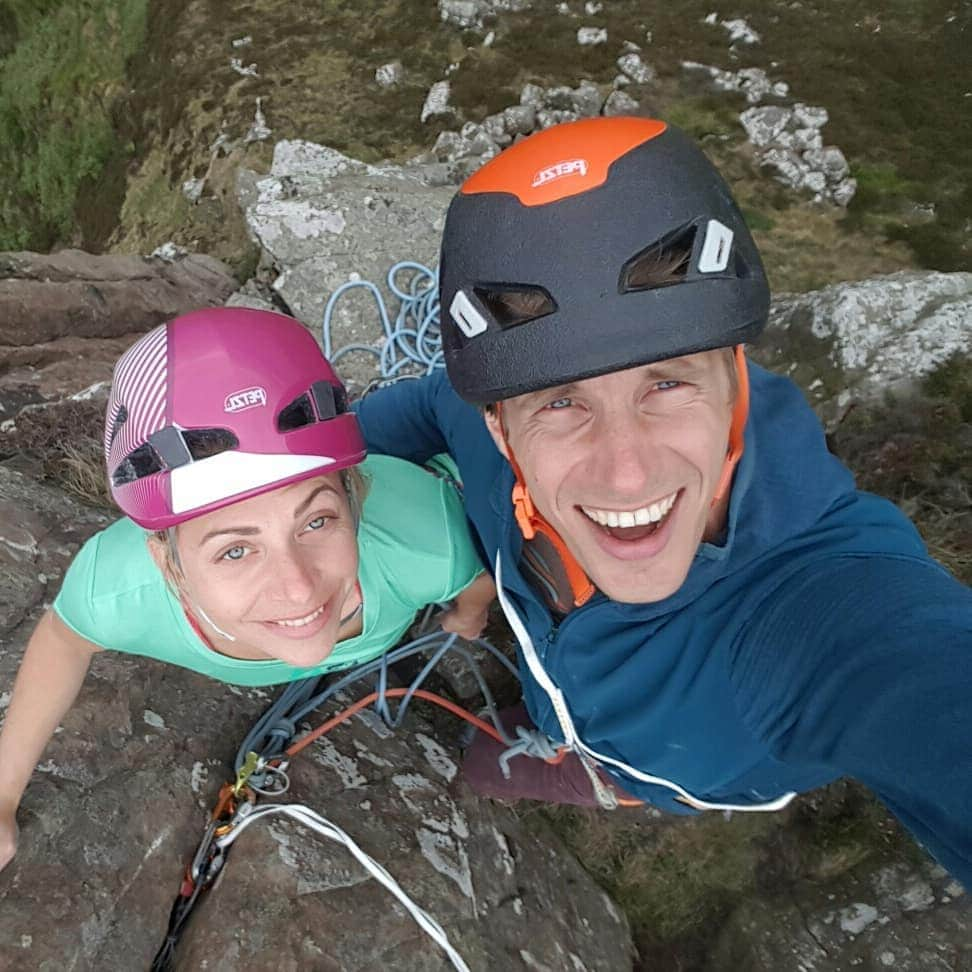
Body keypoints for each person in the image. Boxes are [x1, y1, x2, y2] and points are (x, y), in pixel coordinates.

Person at [353, 116, 972, 886]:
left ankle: (617, 782)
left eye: (668, 383)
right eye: (561, 403)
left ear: (735, 384)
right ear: (501, 428)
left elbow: (914, 672)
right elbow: (421, 405)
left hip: (691, 769)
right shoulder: (478, 412)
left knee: (631, 773)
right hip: (577, 688)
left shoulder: (817, 607)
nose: (624, 474)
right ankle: (566, 734)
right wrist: (315, 471)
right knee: (501, 752)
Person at [0, 306, 495, 872]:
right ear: (166, 560)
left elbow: (471, 576)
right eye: (235, 550)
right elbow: (63, 639)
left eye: (317, 521)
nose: (298, 588)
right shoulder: (116, 590)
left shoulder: (425, 537)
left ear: (355, 497)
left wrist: (470, 611)